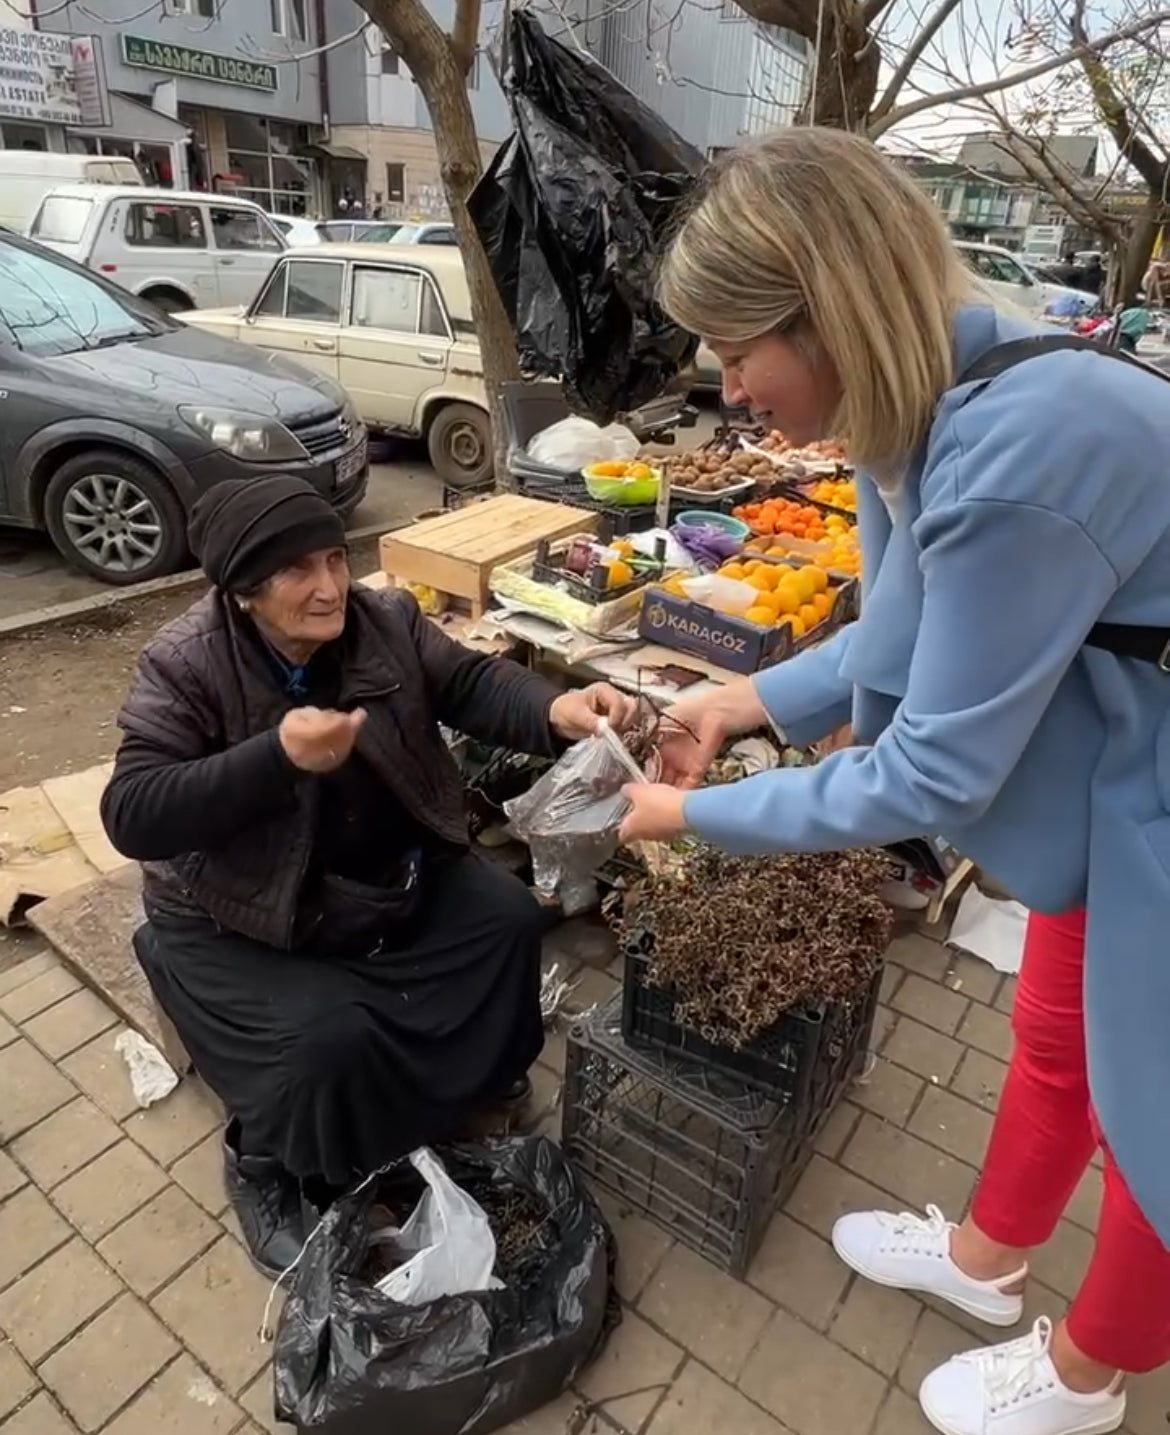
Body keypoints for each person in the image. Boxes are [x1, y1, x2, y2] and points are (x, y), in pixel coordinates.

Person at [619, 129, 1170, 1435]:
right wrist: (738, 695)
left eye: (737, 350)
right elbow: (916, 632)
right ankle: (987, 1257)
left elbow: (927, 763)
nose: (727, 389)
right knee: (1055, 1036)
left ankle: (1092, 1372)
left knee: (1151, 1099)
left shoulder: (1016, 453)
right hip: (1118, 801)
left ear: (828, 316)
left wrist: (682, 812)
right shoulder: (939, 413)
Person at [101, 475, 636, 1278]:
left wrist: (556, 711)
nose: (329, 589)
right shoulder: (186, 665)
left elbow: (468, 681)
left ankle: (463, 1090)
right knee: (329, 1037)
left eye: (334, 560)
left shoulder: (383, 619)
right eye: (297, 572)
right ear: (245, 590)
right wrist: (273, 757)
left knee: (509, 919)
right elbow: (132, 810)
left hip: (383, 876)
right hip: (241, 911)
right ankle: (268, 1167)